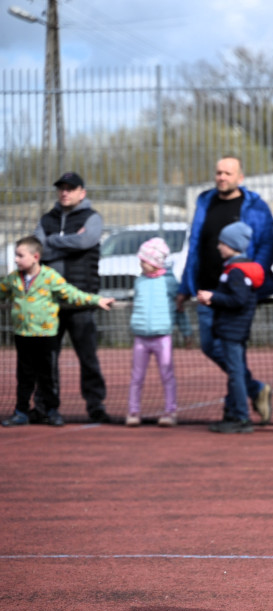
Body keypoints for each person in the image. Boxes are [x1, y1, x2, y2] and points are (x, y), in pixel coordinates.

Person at [176, 156, 273, 424]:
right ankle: (255, 389)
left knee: (232, 351)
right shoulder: (204, 201)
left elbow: (267, 243)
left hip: (234, 294)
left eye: (228, 173)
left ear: (240, 178)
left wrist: (253, 273)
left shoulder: (255, 206)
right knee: (210, 346)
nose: (222, 177)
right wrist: (186, 286)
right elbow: (194, 244)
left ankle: (235, 413)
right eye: (218, 172)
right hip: (206, 291)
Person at [1, 236, 113, 427]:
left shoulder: (50, 277)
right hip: (23, 335)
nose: (16, 260)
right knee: (24, 377)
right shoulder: (12, 279)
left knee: (48, 377)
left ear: (35, 256)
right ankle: (21, 412)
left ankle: (52, 411)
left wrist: (96, 300)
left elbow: (71, 293)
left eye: (20, 255)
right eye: (16, 256)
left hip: (46, 336)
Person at [33, 172, 111, 423]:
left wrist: (54, 242)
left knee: (88, 357)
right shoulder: (47, 219)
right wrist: (67, 240)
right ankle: (45, 407)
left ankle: (95, 406)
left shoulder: (92, 218)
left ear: (82, 192)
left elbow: (86, 240)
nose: (64, 192)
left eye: (70, 188)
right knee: (47, 358)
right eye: (61, 188)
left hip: (82, 301)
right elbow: (37, 249)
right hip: (49, 303)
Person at [196, 222, 264, 434]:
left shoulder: (235, 272)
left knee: (236, 374)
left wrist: (212, 297)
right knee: (236, 372)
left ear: (232, 245)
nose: (218, 247)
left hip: (233, 331)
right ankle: (233, 413)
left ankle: (241, 417)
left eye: (222, 243)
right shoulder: (235, 270)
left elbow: (238, 300)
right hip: (234, 330)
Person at [126, 238, 185, 428]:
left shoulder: (169, 283)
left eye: (144, 260)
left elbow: (179, 309)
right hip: (141, 338)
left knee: (167, 376)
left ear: (155, 262)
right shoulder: (139, 282)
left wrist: (187, 331)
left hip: (163, 337)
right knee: (136, 377)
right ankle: (133, 411)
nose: (141, 264)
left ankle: (170, 411)